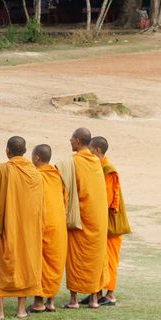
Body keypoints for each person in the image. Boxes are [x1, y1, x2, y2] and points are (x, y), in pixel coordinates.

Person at [0, 136, 44, 319]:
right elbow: (40, 205)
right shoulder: (35, 174)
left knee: (2, 266)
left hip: (6, 228)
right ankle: (21, 310)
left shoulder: (0, 170)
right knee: (24, 265)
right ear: (25, 151)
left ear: (7, 150)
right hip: (29, 232)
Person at [57, 127, 108, 309]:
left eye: (71, 138)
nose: (69, 141)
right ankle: (94, 299)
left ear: (78, 141)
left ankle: (73, 300)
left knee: (76, 259)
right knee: (95, 258)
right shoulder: (96, 162)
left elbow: (66, 189)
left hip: (81, 218)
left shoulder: (73, 162)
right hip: (98, 219)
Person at [89, 136, 131, 307]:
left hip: (111, 224)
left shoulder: (108, 170)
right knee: (100, 259)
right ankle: (97, 293)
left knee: (110, 259)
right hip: (102, 223)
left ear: (98, 151)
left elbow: (105, 200)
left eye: (90, 150)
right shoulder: (99, 168)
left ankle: (110, 293)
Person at [29, 143, 67, 314]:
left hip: (43, 224)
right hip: (58, 224)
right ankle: (50, 302)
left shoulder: (36, 176)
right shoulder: (56, 176)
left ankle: (39, 302)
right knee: (54, 262)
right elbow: (64, 199)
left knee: (41, 262)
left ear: (37, 157)